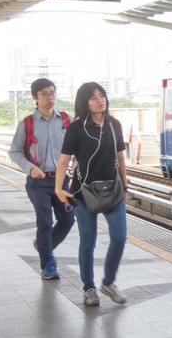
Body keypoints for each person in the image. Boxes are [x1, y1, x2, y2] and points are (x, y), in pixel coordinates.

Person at [55, 82, 129, 307]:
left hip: (113, 191)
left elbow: (120, 158)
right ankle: (89, 288)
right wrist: (59, 188)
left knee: (119, 236)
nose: (100, 100)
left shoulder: (114, 124)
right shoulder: (77, 128)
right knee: (88, 242)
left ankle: (108, 283)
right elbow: (64, 160)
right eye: (93, 97)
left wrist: (125, 187)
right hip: (83, 193)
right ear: (84, 103)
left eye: (102, 95)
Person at [8, 78, 74, 281]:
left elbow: (76, 146)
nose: (50, 97)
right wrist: (30, 168)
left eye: (52, 93)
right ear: (35, 97)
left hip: (61, 181)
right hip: (38, 182)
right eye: (45, 94)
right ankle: (48, 265)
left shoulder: (65, 120)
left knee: (68, 219)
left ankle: (43, 245)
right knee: (45, 222)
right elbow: (15, 151)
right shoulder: (27, 124)